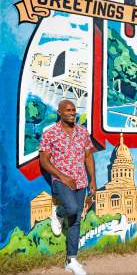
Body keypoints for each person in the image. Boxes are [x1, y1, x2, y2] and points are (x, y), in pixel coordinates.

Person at [39, 99, 96, 275]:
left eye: (74, 110)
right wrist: (62, 177)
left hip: (80, 180)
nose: (72, 113)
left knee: (76, 219)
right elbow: (44, 160)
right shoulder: (50, 133)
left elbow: (88, 157)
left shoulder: (83, 132)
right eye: (68, 110)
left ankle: (71, 260)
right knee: (70, 209)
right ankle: (58, 213)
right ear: (59, 112)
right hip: (61, 181)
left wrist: (92, 179)